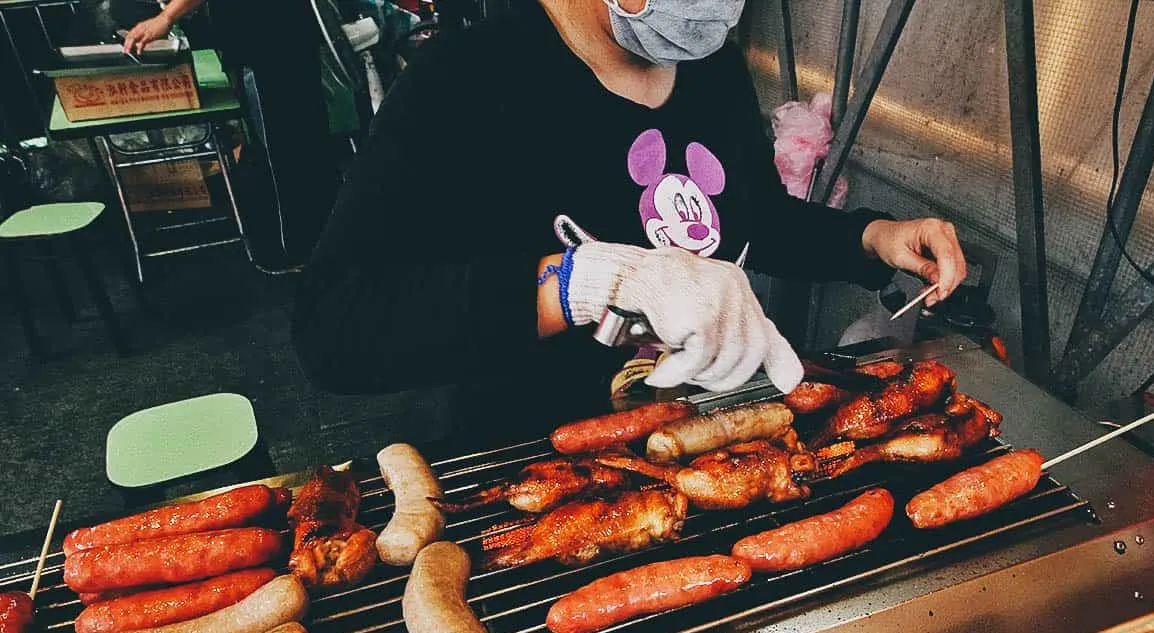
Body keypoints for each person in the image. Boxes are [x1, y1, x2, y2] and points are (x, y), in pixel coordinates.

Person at [292, 0, 966, 440]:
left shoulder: (711, 69)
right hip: (540, 469)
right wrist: (583, 282)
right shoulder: (469, 78)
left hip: (704, 444)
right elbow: (337, 325)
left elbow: (753, 219)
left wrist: (874, 239)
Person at [124, 0, 337, 274]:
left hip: (267, 40)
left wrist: (167, 16)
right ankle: (321, 242)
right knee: (296, 145)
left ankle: (304, 250)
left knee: (287, 152)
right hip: (271, 37)